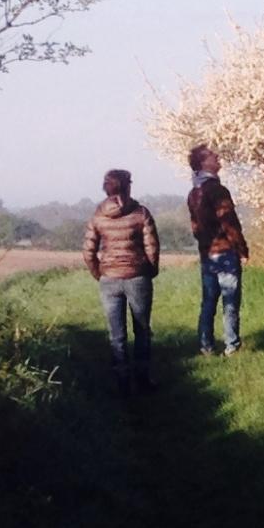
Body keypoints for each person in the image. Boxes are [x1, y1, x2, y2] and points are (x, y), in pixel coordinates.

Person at [83, 167, 161, 392]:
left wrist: (99, 272)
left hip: (109, 278)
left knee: (116, 333)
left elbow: (88, 251)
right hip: (138, 277)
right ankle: (143, 378)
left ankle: (122, 380)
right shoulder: (141, 213)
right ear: (128, 186)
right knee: (142, 329)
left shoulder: (98, 216)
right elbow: (152, 246)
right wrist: (151, 269)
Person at [186, 143, 247, 356]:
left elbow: (196, 227)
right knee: (230, 301)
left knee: (209, 301)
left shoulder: (194, 193)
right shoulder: (218, 190)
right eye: (212, 156)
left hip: (207, 254)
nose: (217, 158)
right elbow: (229, 221)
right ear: (203, 163)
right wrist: (241, 248)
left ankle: (206, 346)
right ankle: (232, 345)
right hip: (225, 252)